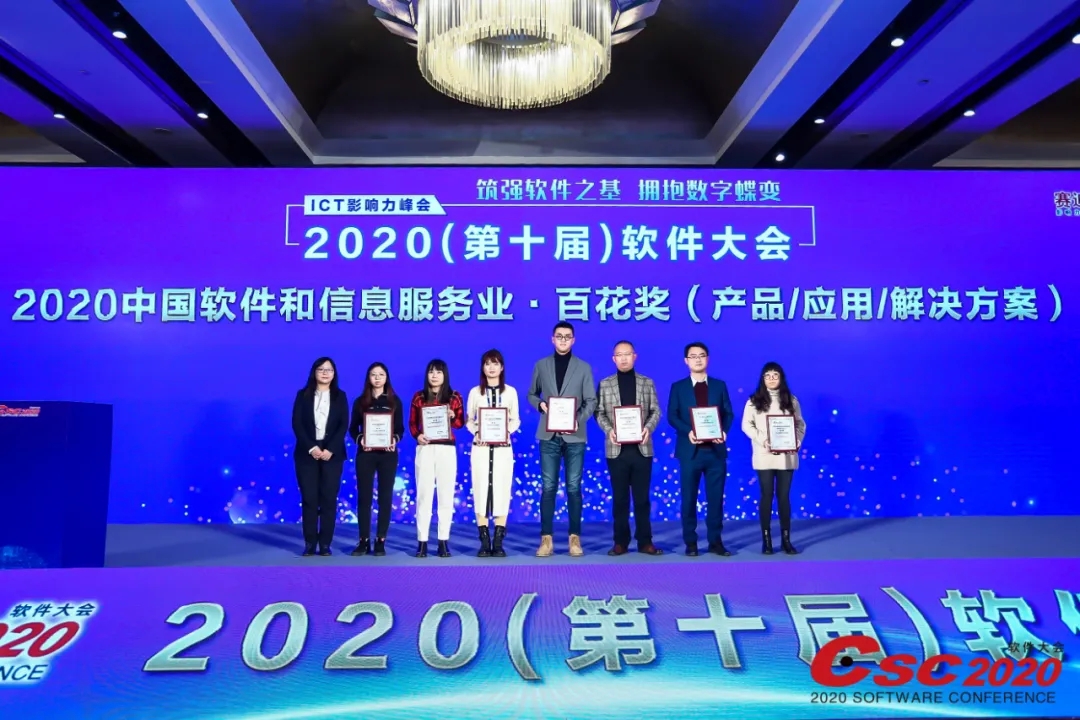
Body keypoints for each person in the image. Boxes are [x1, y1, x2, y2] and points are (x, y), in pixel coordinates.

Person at [528, 321, 597, 557]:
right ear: (552, 339)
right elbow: (531, 394)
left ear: (573, 340)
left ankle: (574, 539)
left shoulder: (583, 367)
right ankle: (546, 540)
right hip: (548, 435)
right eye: (559, 336)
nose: (563, 340)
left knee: (574, 487)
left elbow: (591, 401)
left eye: (568, 336)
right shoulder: (541, 365)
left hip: (575, 435)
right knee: (548, 487)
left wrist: (578, 419)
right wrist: (541, 405)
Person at [594, 340, 663, 556]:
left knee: (642, 500)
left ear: (635, 356)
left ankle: (645, 542)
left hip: (642, 449)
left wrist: (648, 428)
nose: (623, 358)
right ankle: (620, 542)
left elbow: (656, 411)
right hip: (616, 450)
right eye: (619, 355)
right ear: (613, 359)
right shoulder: (605, 384)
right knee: (620, 499)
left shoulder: (646, 382)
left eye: (627, 354)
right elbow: (599, 413)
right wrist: (609, 431)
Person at [667, 342, 734, 557]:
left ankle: (715, 541)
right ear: (686, 361)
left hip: (715, 452)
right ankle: (691, 542)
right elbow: (672, 416)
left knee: (715, 499)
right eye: (693, 356)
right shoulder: (678, 387)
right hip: (690, 452)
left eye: (702, 355)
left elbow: (728, 413)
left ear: (708, 359)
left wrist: (723, 431)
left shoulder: (719, 385)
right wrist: (688, 431)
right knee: (688, 499)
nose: (698, 359)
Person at [742, 362, 806, 555]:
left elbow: (800, 425)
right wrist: (763, 440)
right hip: (764, 455)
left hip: (786, 456)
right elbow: (746, 425)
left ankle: (786, 539)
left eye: (775, 375)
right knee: (767, 496)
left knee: (784, 497)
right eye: (767, 375)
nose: (771, 379)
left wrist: (796, 441)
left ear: (781, 378)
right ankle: (767, 540)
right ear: (762, 379)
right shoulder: (754, 401)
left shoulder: (791, 400)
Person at [465, 349, 521, 558]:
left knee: (501, 490)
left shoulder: (511, 392)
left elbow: (515, 419)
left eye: (495, 363)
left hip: (502, 449)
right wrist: (477, 432)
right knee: (481, 490)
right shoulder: (475, 393)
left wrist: (507, 432)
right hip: (480, 449)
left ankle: (498, 541)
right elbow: (469, 420)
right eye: (487, 363)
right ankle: (484, 540)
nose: (491, 367)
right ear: (482, 367)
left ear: (502, 367)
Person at [291, 357, 349, 556]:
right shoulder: (302, 395)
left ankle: (325, 544)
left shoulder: (340, 396)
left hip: (332, 453)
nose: (325, 373)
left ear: (334, 374)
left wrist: (330, 449)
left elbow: (343, 424)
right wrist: (311, 447)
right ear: (314, 372)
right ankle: (310, 542)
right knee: (309, 499)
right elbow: (297, 423)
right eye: (321, 369)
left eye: (329, 370)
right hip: (307, 452)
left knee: (328, 499)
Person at [409, 359, 465, 558]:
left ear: (444, 375)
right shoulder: (419, 397)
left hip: (446, 449)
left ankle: (443, 541)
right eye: (431, 372)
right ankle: (422, 542)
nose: (434, 375)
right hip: (425, 449)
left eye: (438, 372)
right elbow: (412, 423)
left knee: (446, 496)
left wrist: (452, 415)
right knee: (424, 495)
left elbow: (460, 423)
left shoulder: (454, 397)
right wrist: (417, 436)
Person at [348, 362, 405, 557]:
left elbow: (400, 429)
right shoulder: (360, 402)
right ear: (368, 378)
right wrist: (360, 439)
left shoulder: (395, 402)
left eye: (381, 374)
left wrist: (394, 440)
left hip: (388, 455)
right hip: (365, 454)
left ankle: (380, 540)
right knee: (364, 497)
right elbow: (352, 428)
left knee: (385, 497)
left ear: (386, 377)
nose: (377, 378)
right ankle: (363, 541)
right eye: (374, 374)